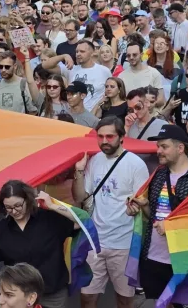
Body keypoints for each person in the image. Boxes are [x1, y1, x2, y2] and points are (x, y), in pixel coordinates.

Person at [125, 124, 188, 308]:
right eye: (158, 146)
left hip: (183, 260)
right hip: (154, 256)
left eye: (164, 146)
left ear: (180, 148)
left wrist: (170, 226)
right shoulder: (158, 174)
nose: (158, 151)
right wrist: (142, 207)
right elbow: (154, 217)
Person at [71, 116, 149, 308]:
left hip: (123, 243)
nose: (104, 141)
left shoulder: (136, 165)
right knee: (87, 297)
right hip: (94, 241)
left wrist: (135, 209)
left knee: (124, 299)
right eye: (100, 136)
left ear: (122, 137)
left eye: (110, 136)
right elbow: (81, 197)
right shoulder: (94, 160)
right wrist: (79, 172)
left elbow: (142, 203)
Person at [0, 180, 79, 308]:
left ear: (27, 200)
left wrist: (53, 206)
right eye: (8, 208)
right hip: (19, 297)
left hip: (52, 294)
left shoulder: (48, 218)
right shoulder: (2, 230)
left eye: (18, 205)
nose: (14, 211)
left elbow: (81, 221)